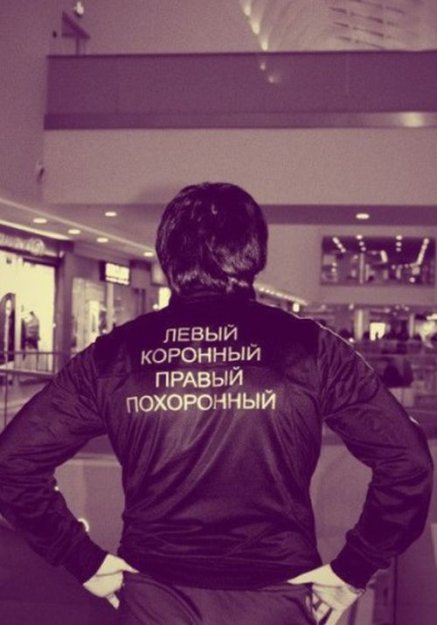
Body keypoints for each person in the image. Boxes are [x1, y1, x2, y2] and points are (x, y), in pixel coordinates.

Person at [0, 182, 433, 625]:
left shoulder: (116, 354)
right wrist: (354, 567)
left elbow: (12, 461)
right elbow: (408, 462)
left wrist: (81, 558)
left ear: (167, 256)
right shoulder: (311, 348)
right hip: (272, 601)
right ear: (254, 255)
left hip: (155, 600)